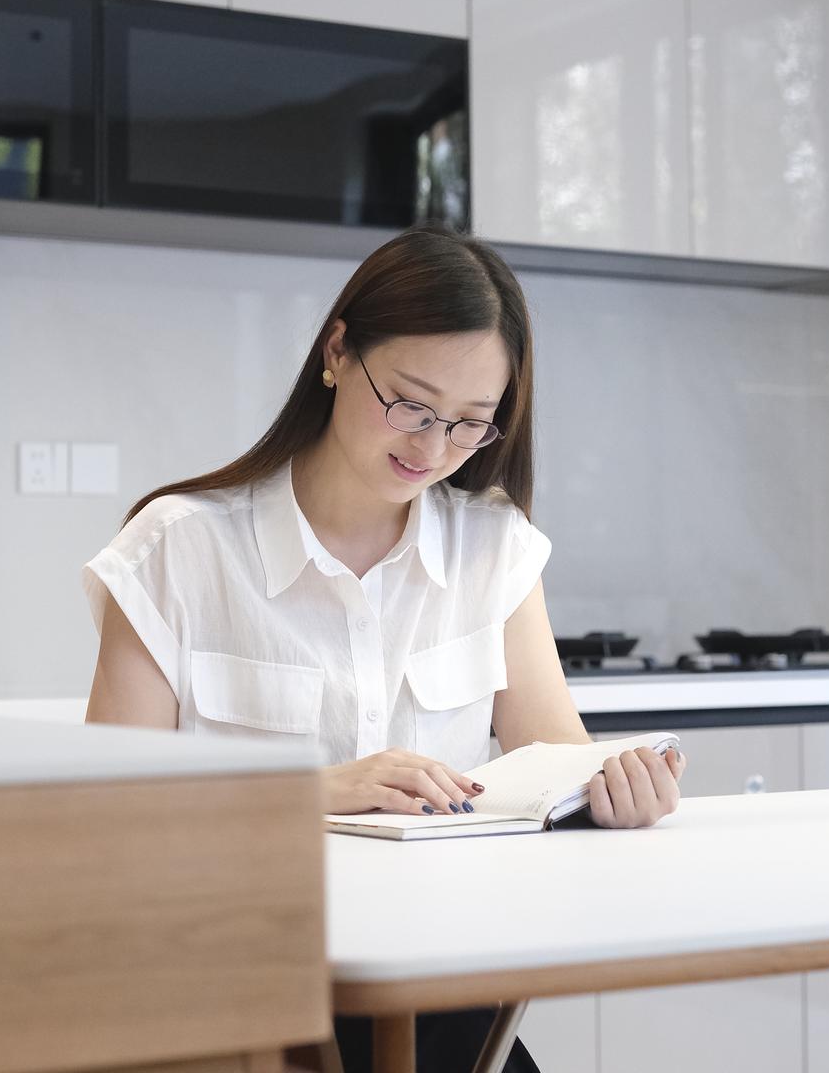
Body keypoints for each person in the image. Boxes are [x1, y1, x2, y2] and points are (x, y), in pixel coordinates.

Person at [81, 225, 687, 1073]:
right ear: (337, 350)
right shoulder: (178, 551)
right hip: (237, 1006)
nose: (432, 449)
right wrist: (313, 793)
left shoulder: (494, 551)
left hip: (446, 996)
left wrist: (612, 793)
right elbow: (99, 822)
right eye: (410, 403)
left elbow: (557, 766)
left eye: (471, 424)